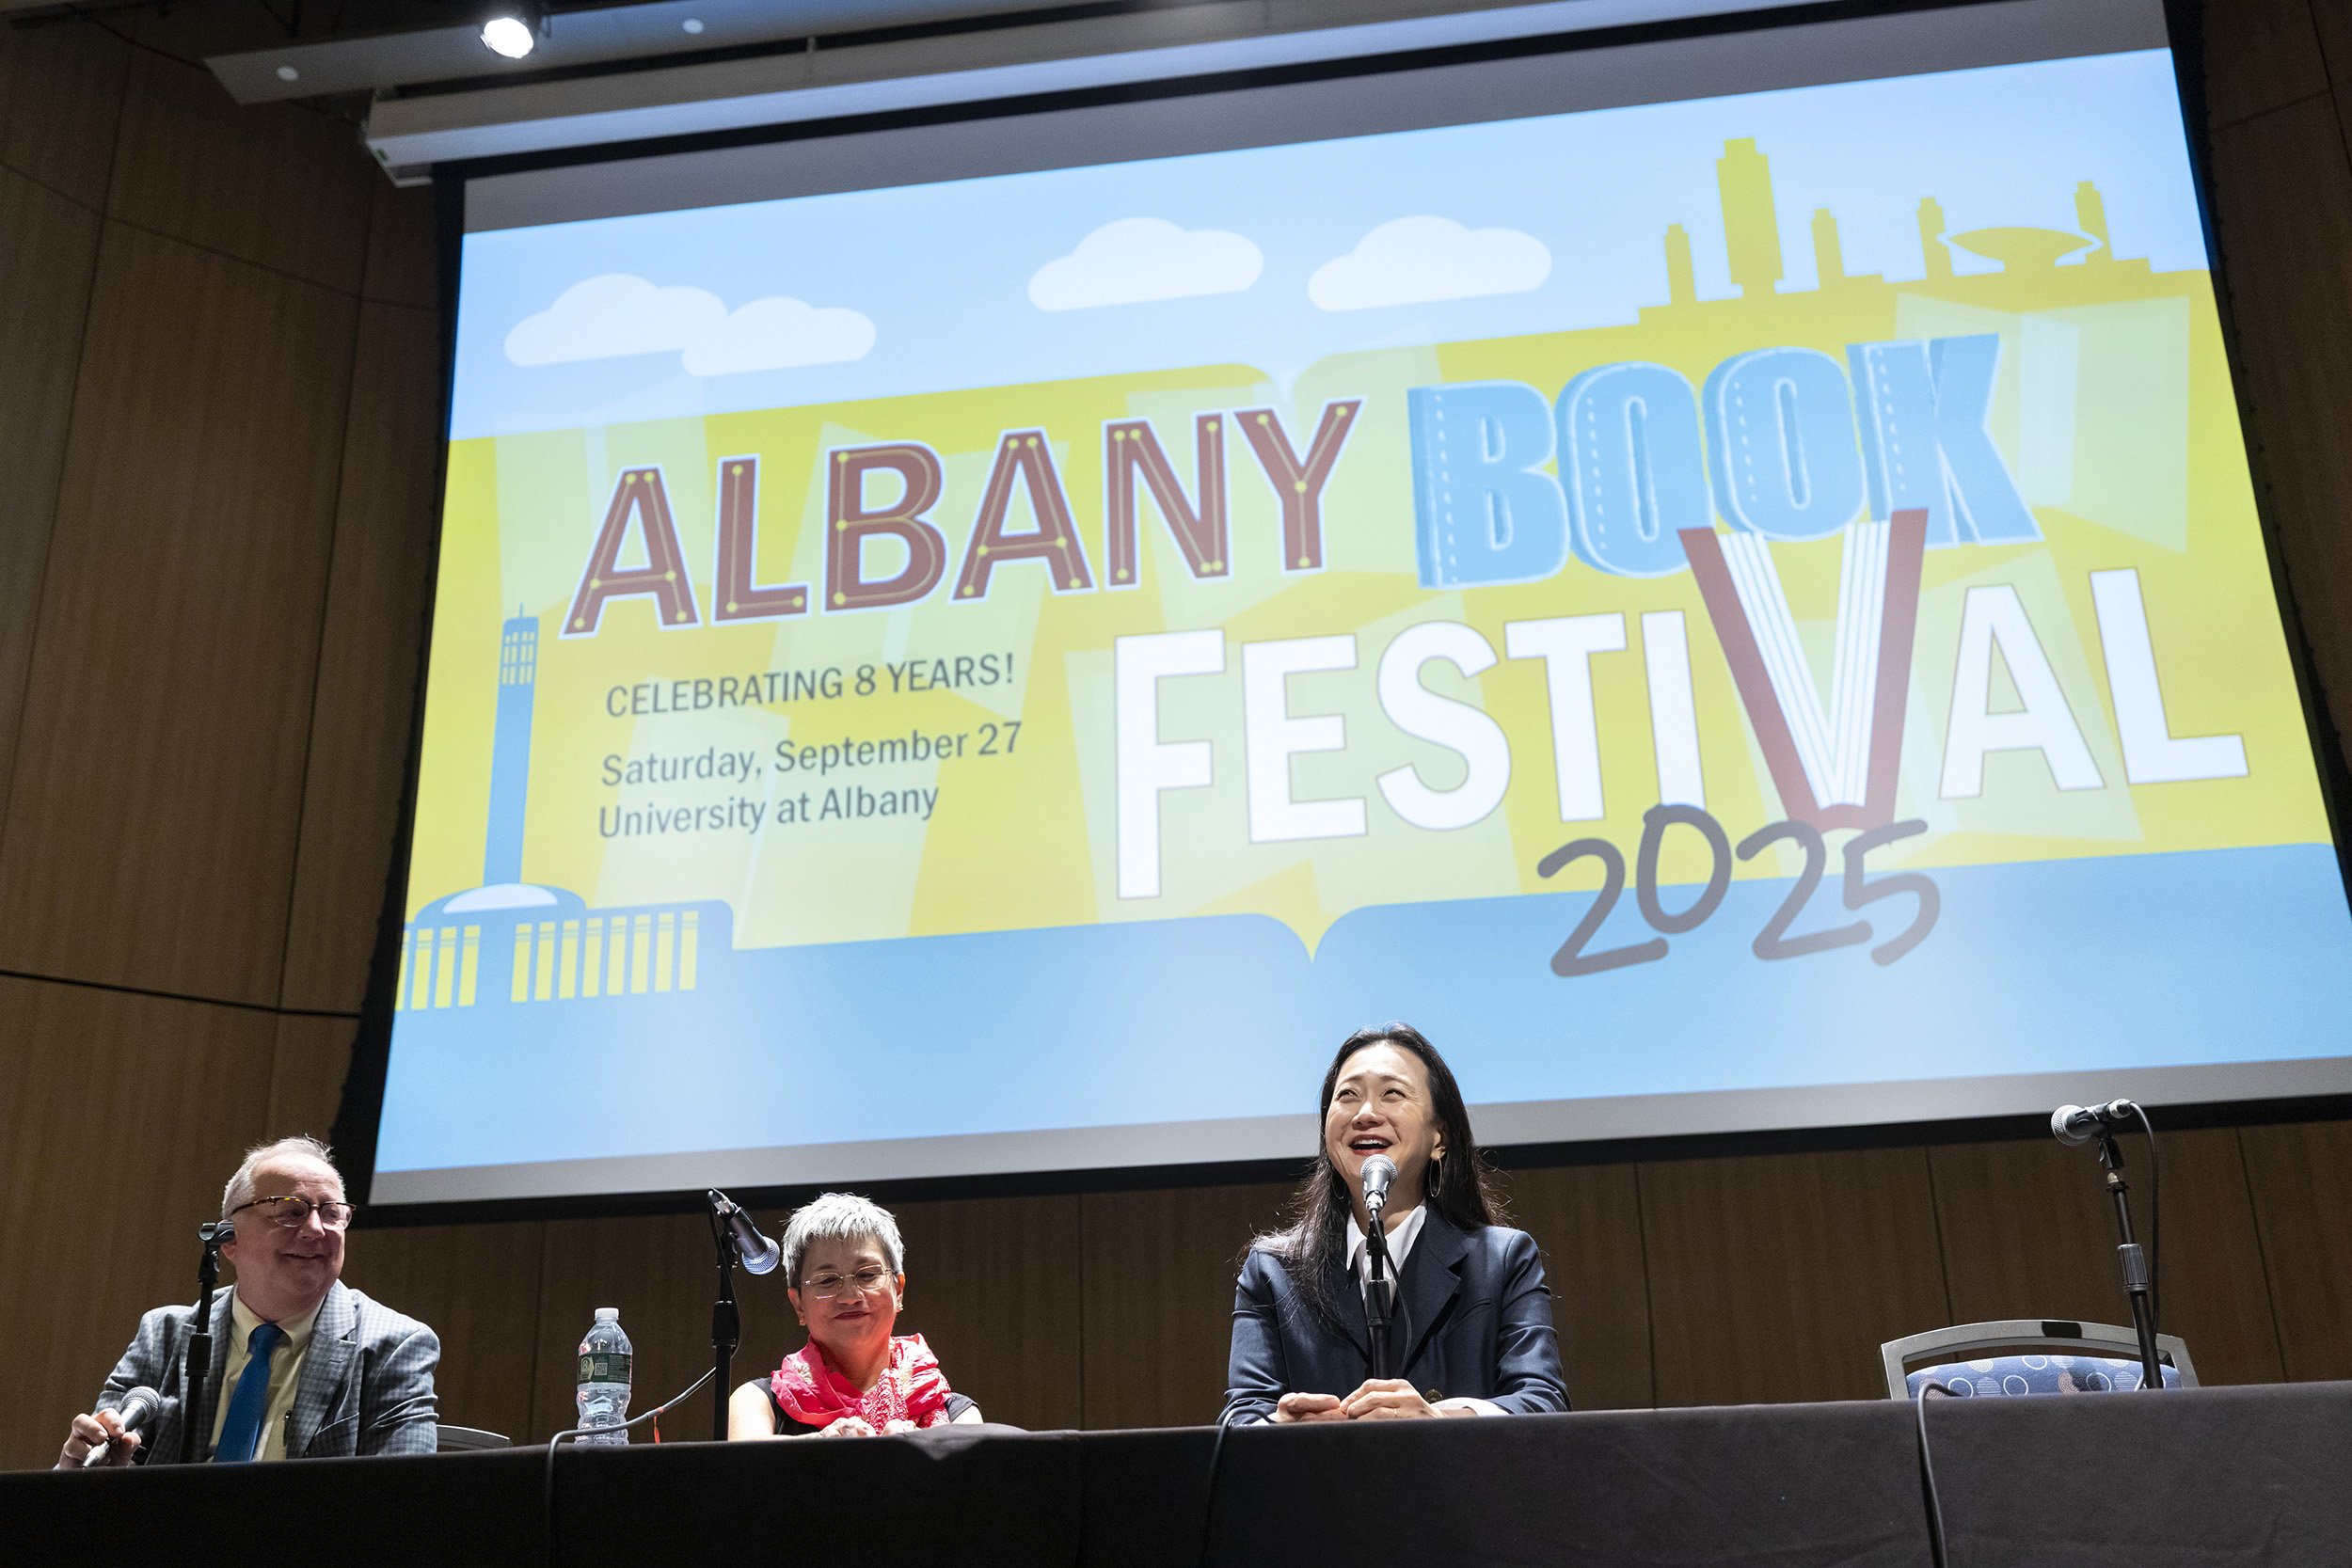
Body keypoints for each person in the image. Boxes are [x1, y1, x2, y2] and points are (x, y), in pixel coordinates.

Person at [1223, 1023, 1570, 1424]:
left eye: (1392, 1093)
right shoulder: (1273, 1269)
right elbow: (1239, 1419)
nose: (1366, 1113)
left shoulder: (1502, 1260)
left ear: (1440, 1137)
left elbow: (1544, 1403)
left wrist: (1437, 1418)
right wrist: (1281, 1427)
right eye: (1347, 1096)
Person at [57, 1136, 439, 1467]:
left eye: (331, 1213)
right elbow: (103, 1477)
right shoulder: (165, 1335)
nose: (315, 1229)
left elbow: (403, 1498)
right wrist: (87, 1466)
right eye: (291, 1211)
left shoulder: (395, 1345)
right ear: (229, 1239)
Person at [727, 1192, 985, 1438]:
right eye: (827, 1280)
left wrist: (912, 1448)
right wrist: (827, 1443)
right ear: (799, 1305)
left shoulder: (958, 1414)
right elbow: (746, 1458)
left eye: (867, 1275)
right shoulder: (756, 1400)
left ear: (898, 1291)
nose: (850, 1296)